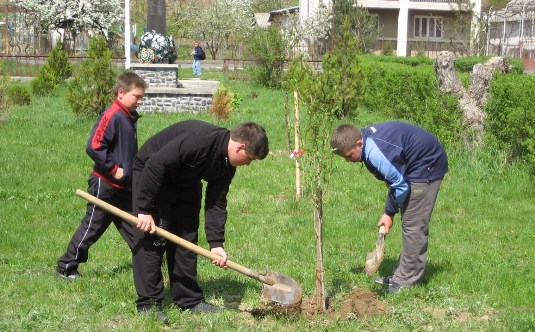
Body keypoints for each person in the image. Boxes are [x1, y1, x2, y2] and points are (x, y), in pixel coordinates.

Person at [131, 120, 269, 321]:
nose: (248, 164)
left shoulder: (227, 164)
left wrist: (216, 243)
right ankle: (149, 304)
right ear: (241, 147)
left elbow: (216, 202)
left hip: (186, 182)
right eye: (249, 158)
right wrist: (143, 209)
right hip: (152, 175)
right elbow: (156, 164)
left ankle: (189, 300)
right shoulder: (198, 141)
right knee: (152, 239)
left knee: (187, 238)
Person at [330, 121, 448, 294]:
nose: (348, 161)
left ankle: (407, 281)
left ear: (359, 143)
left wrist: (389, 213)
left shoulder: (375, 151)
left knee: (413, 225)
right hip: (414, 163)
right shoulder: (367, 142)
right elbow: (394, 174)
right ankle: (401, 275)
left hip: (427, 164)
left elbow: (401, 185)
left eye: (348, 156)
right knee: (409, 220)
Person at [56, 72, 148, 280]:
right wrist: (114, 169)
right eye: (137, 96)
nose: (140, 101)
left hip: (124, 187)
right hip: (105, 184)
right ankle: (66, 266)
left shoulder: (127, 116)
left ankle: (147, 262)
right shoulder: (113, 115)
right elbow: (94, 146)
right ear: (121, 93)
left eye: (142, 97)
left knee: (136, 226)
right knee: (93, 226)